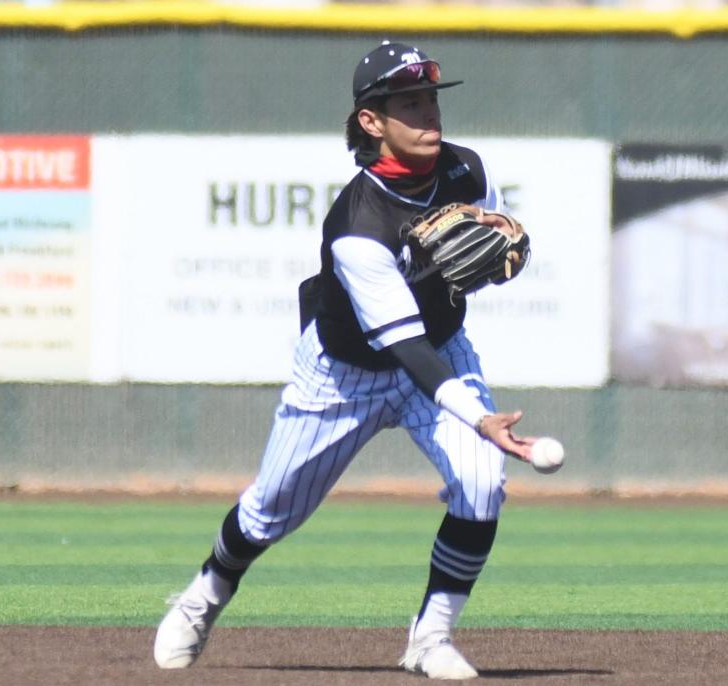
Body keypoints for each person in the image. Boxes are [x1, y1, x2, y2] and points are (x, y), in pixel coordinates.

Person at [153, 40, 536, 680]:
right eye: (408, 104)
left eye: (430, 100)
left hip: (441, 349)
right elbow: (401, 343)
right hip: (344, 374)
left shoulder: (467, 170)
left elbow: (486, 253)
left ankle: (430, 638)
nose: (428, 115)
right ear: (372, 121)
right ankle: (207, 594)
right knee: (270, 510)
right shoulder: (359, 224)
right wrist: (478, 417)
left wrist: (504, 259)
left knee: (481, 483)